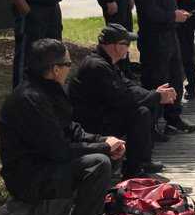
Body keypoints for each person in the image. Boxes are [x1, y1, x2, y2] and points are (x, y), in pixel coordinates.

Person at [0, 39, 126, 215]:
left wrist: (105, 141)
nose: (70, 68)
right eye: (68, 63)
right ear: (55, 69)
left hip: (46, 164)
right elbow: (60, 150)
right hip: (28, 177)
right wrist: (103, 148)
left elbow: (72, 130)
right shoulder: (30, 100)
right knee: (99, 163)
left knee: (105, 155)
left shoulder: (48, 90)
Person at [68, 24, 175, 177]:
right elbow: (122, 99)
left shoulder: (106, 62)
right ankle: (134, 169)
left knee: (146, 105)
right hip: (91, 124)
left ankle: (142, 161)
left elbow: (129, 87)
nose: (129, 49)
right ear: (118, 46)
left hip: (103, 113)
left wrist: (155, 94)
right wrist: (156, 96)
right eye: (127, 44)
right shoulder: (97, 66)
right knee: (140, 113)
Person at [134, 0, 195, 134]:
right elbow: (149, 12)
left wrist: (177, 16)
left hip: (169, 37)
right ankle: (151, 125)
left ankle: (173, 118)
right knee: (156, 81)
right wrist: (173, 16)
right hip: (154, 39)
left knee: (175, 78)